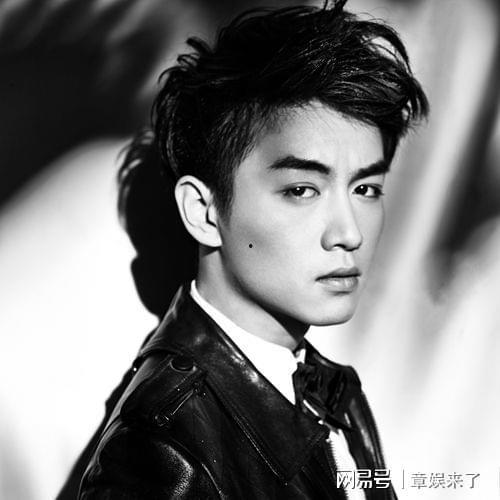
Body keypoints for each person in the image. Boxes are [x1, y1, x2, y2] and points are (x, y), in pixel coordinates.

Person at [64, 1, 428, 498]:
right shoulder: (162, 451)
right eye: (301, 190)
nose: (349, 233)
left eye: (365, 189)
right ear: (203, 211)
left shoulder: (325, 387)